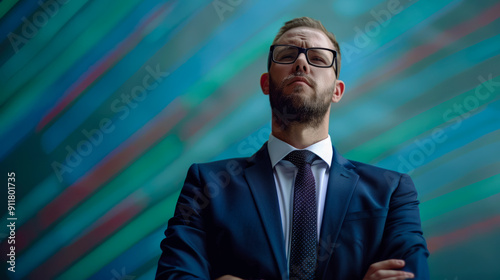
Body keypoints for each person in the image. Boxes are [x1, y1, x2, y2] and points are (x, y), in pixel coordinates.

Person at [156, 17, 429, 280]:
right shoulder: (206, 185)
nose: (300, 62)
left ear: (337, 90)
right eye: (287, 56)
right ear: (266, 83)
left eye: (318, 58)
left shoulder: (393, 191)